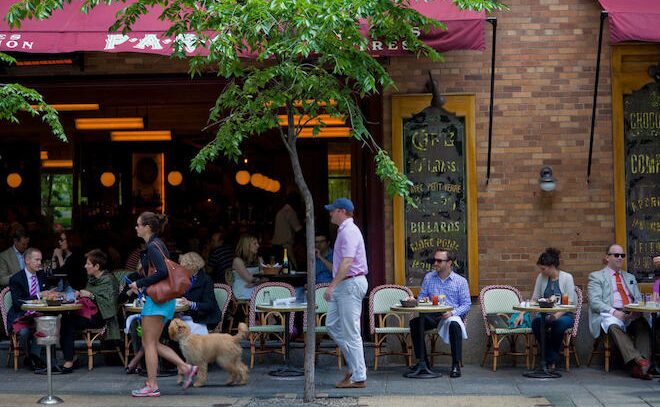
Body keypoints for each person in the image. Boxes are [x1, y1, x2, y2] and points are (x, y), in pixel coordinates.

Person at [127, 212, 198, 397]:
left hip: (157, 300)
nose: (136, 227)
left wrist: (139, 284)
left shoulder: (152, 246)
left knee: (149, 343)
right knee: (151, 342)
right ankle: (185, 367)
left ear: (147, 227)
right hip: (164, 300)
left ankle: (152, 385)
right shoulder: (158, 244)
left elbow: (162, 272)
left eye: (138, 224)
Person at [588, 243, 652, 380]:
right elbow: (595, 302)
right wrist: (614, 312)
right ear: (607, 257)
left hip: (630, 312)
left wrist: (636, 310)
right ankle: (639, 360)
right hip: (610, 313)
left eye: (622, 255)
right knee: (613, 326)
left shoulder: (630, 277)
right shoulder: (597, 276)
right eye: (616, 255)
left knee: (643, 325)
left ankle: (641, 368)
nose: (620, 258)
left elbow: (639, 298)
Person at [323, 197, 368, 389]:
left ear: (342, 211)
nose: (331, 213)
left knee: (351, 332)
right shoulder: (345, 230)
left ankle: (359, 376)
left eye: (333, 210)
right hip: (345, 284)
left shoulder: (349, 231)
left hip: (349, 284)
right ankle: (355, 366)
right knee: (331, 325)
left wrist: (332, 285)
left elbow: (347, 262)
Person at [409, 248, 470, 378]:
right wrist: (417, 300)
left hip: (450, 315)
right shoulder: (429, 277)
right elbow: (422, 297)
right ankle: (423, 362)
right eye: (434, 260)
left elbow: (466, 305)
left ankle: (455, 364)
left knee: (455, 325)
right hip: (432, 315)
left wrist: (452, 313)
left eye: (439, 261)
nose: (435, 263)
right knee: (415, 323)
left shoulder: (460, 281)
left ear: (449, 263)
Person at [56, 249, 120, 374]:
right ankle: (70, 357)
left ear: (97, 266)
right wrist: (81, 294)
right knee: (65, 318)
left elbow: (110, 304)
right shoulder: (92, 279)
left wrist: (91, 295)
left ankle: (69, 361)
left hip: (102, 317)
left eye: (88, 264)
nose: (85, 266)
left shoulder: (109, 280)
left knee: (69, 322)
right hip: (90, 313)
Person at [512, 248, 575, 371]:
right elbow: (534, 299)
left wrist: (556, 315)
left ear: (552, 266)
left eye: (543, 269)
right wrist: (522, 313)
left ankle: (548, 360)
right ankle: (552, 358)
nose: (541, 271)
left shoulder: (567, 278)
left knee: (558, 325)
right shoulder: (541, 278)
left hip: (565, 314)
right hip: (544, 314)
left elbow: (570, 303)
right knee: (536, 324)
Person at [7, 247, 48, 370]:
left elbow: (46, 293)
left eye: (40, 260)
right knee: (25, 332)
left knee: (47, 324)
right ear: (27, 260)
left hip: (39, 314)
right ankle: (30, 356)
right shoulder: (16, 279)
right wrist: (37, 296)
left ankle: (35, 357)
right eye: (36, 260)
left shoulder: (41, 275)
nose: (39, 263)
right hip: (21, 315)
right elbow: (17, 303)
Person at [178, 251, 221, 334]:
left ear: (192, 267)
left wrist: (191, 304)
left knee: (180, 330)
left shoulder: (206, 280)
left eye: (184, 268)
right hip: (187, 316)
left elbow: (209, 305)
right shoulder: (185, 279)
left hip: (203, 318)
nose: (181, 271)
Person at [272, 192, 303, 270]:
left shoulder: (280, 212)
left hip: (276, 245)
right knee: (291, 269)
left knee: (279, 270)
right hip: (285, 246)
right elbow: (298, 229)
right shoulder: (291, 212)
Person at [231, 234, 263, 300]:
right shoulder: (237, 260)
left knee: (272, 291)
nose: (258, 246)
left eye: (258, 243)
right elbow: (249, 279)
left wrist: (256, 282)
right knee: (265, 295)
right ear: (246, 245)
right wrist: (261, 276)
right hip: (243, 289)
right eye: (255, 243)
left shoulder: (259, 259)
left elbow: (267, 277)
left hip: (255, 287)